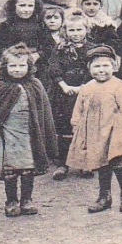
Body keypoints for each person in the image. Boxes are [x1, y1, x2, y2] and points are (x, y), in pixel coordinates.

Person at [0, 45, 59, 217]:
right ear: (5, 67)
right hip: (9, 135)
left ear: (29, 66)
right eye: (12, 66)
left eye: (21, 66)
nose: (17, 70)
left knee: (27, 168)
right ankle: (11, 201)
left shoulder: (35, 85)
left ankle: (26, 200)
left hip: (29, 134)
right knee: (10, 170)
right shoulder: (0, 86)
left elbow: (44, 112)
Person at [68, 45, 122, 213]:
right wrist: (77, 125)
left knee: (119, 164)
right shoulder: (87, 88)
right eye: (97, 66)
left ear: (114, 66)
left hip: (115, 133)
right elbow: (79, 109)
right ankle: (104, 196)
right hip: (95, 133)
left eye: (105, 66)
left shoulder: (120, 87)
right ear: (89, 68)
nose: (101, 70)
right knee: (101, 165)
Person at [41, 12, 93, 180]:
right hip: (63, 94)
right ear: (65, 31)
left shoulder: (92, 48)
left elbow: (93, 70)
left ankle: (85, 163)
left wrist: (82, 88)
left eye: (79, 29)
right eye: (72, 30)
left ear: (86, 29)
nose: (76, 33)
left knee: (84, 127)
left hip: (84, 92)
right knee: (63, 128)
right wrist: (63, 85)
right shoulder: (60, 48)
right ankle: (63, 163)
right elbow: (53, 68)